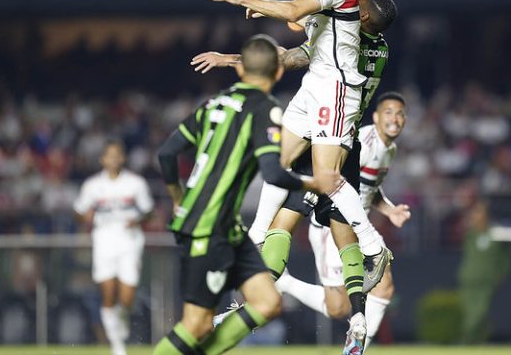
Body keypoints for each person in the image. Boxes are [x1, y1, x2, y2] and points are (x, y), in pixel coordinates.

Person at [194, 0, 397, 354]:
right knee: (342, 238)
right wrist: (295, 20)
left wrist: (246, 11)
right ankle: (359, 321)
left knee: (281, 222)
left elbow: (292, 28)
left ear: (362, 16)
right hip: (343, 140)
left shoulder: (343, 34)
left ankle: (250, 297)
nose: (352, 0)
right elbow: (302, 34)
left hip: (320, 135)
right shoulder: (377, 47)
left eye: (359, 0)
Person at [206, 0, 390, 280]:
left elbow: (293, 11)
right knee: (277, 161)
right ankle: (255, 239)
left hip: (335, 89)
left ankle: (373, 246)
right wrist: (260, 16)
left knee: (326, 176)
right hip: (314, 86)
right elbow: (301, 29)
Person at [152, 35, 341, 355]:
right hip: (207, 227)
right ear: (279, 73)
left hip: (220, 225)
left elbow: (168, 154)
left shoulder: (213, 105)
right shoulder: (266, 110)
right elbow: (274, 173)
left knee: (267, 302)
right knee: (196, 324)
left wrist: (176, 197)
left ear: (241, 73)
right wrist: (313, 184)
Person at [276, 92, 410, 352]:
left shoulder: (389, 150)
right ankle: (284, 282)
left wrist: (389, 210)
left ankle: (355, 349)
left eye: (400, 113)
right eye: (389, 112)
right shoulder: (366, 143)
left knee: (383, 289)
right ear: (375, 117)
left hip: (359, 226)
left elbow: (369, 187)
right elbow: (332, 174)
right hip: (334, 225)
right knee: (337, 308)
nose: (395, 118)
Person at [73, 140, 154, 355]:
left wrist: (137, 220)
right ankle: (117, 345)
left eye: (117, 155)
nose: (114, 159)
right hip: (104, 241)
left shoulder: (136, 183)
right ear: (102, 159)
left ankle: (122, 319)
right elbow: (79, 211)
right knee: (108, 294)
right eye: (109, 155)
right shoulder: (92, 186)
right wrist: (84, 217)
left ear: (123, 158)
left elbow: (149, 210)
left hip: (129, 240)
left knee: (127, 297)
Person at [458, 201, 510, 344]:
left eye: (479, 212)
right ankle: (471, 341)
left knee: (480, 312)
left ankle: (472, 340)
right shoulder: (470, 235)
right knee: (467, 312)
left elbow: (503, 258)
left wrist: (500, 274)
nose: (475, 216)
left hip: (486, 280)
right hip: (469, 279)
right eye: (474, 213)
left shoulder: (495, 234)